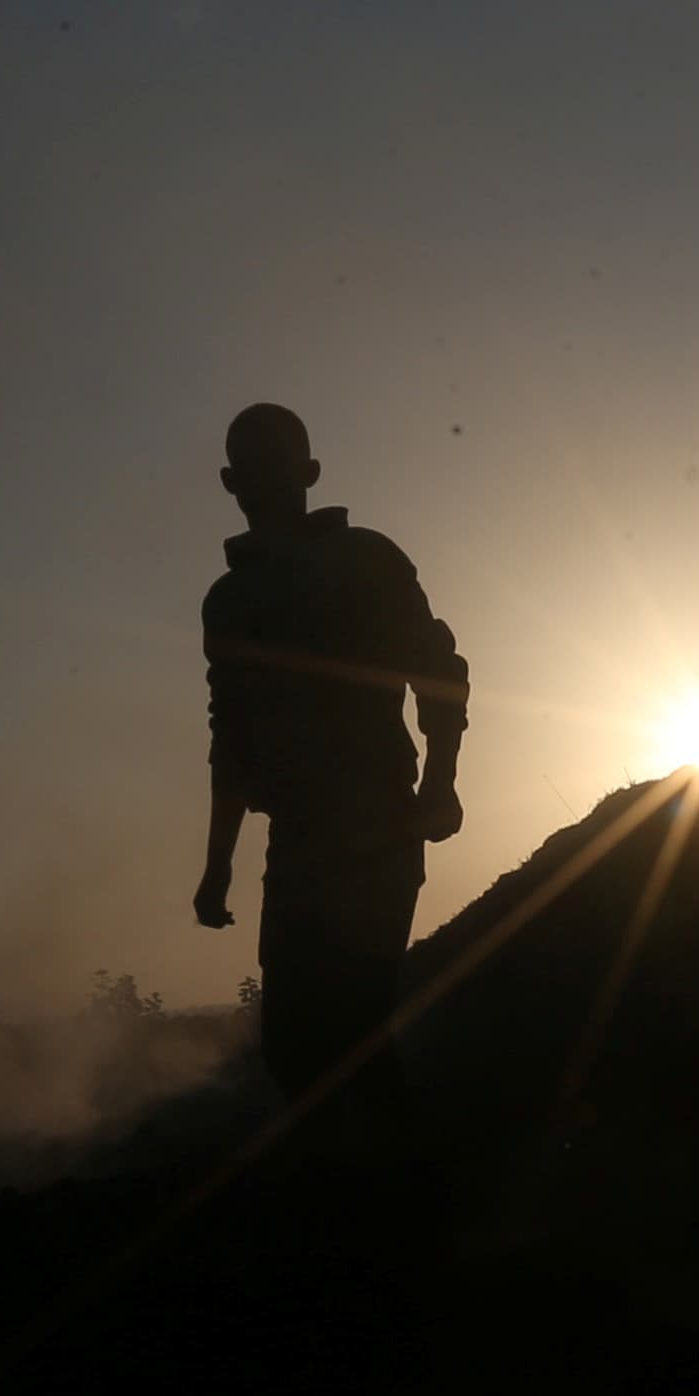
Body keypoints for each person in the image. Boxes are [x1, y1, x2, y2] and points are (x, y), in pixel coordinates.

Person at [193, 403, 469, 1149]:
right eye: (249, 469)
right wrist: (217, 866)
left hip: (378, 825)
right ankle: (358, 1205)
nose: (263, 482)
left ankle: (407, 1205)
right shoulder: (229, 601)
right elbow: (233, 740)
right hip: (298, 843)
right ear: (229, 482)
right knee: (291, 1047)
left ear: (309, 473)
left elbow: (436, 673)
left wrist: (437, 783)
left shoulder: (366, 558)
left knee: (350, 1030)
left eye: (276, 465)